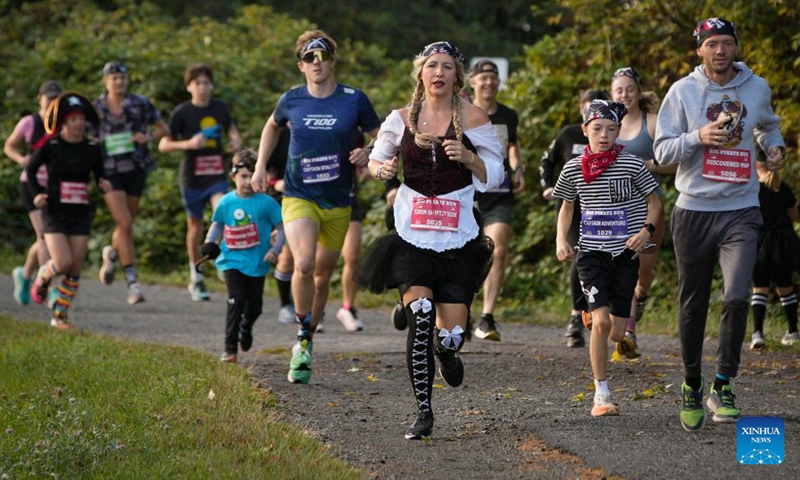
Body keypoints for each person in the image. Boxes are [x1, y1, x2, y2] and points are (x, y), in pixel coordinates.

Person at [361, 41, 503, 439]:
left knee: (450, 334)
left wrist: (470, 158)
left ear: (457, 76)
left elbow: (497, 172)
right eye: (431, 66)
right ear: (420, 74)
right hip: (412, 233)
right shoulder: (402, 117)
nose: (438, 73)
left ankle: (447, 351)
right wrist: (381, 167)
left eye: (446, 67)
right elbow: (377, 158)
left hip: (458, 238)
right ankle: (424, 413)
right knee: (421, 315)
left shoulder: (473, 118)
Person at [653, 17, 785, 432]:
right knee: (692, 303)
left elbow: (767, 123)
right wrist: (698, 137)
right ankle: (692, 383)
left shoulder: (756, 87)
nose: (721, 51)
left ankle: (723, 383)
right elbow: (661, 150)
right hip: (693, 210)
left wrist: (774, 146)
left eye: (727, 43)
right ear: (700, 50)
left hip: (742, 208)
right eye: (713, 45)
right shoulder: (682, 92)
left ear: (735, 47)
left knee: (736, 295)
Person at [250, 30, 381, 384]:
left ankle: (307, 336)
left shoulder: (354, 100)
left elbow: (383, 135)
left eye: (323, 57)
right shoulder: (291, 99)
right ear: (301, 66)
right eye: (310, 58)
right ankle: (302, 338)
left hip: (339, 200)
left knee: (323, 277)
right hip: (299, 195)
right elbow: (271, 127)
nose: (317, 63)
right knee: (304, 264)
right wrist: (261, 165)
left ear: (333, 62)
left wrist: (369, 153)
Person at [554, 100, 660, 417]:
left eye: (611, 129)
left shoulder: (631, 164)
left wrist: (647, 232)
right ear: (585, 130)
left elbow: (654, 202)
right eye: (597, 128)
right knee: (600, 324)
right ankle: (601, 394)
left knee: (616, 332)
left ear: (619, 131)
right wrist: (561, 238)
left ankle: (596, 316)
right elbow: (567, 207)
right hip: (590, 254)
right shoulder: (573, 168)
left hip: (625, 254)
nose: (604, 135)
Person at [26, 92, 111, 329]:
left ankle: (59, 316)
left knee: (74, 268)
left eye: (81, 119)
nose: (78, 123)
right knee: (62, 262)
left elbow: (100, 174)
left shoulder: (92, 148)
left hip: (80, 212)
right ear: (64, 122)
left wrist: (104, 183)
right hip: (54, 212)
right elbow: (31, 170)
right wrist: (37, 194)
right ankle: (42, 278)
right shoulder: (51, 145)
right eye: (73, 119)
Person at [159, 63, 242, 301]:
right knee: (194, 227)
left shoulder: (220, 108)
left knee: (224, 213)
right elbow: (163, 144)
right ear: (189, 87)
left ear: (212, 85)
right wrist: (188, 144)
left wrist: (235, 142)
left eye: (206, 83)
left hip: (216, 174)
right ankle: (196, 275)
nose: (203, 88)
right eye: (198, 83)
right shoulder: (182, 112)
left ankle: (219, 257)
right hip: (192, 178)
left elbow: (232, 130)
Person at [610, 67, 675, 358]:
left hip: (649, 208)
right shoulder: (605, 123)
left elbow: (674, 163)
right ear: (612, 94)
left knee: (641, 274)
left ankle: (639, 300)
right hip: (612, 209)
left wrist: (649, 166)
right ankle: (628, 331)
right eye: (619, 90)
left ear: (639, 92)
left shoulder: (653, 123)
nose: (624, 95)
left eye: (629, 89)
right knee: (613, 268)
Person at [94, 61, 169, 305]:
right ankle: (132, 282)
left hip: (136, 167)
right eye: (114, 78)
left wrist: (146, 136)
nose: (119, 82)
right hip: (109, 170)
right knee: (124, 221)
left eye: (122, 77)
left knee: (126, 224)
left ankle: (112, 253)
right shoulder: (96, 108)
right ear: (106, 81)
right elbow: (85, 135)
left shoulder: (140, 103)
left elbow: (162, 129)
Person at [200, 149, 285, 363]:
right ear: (233, 177)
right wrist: (210, 243)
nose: (247, 182)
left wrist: (275, 250)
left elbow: (282, 228)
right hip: (231, 261)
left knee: (255, 308)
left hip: (257, 262)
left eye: (251, 176)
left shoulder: (267, 204)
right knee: (235, 301)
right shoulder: (227, 202)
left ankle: (246, 327)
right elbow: (217, 224)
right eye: (243, 177)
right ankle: (230, 349)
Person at [539, 89, 609, 348]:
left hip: (601, 209)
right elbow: (546, 161)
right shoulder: (568, 134)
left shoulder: (609, 134)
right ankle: (575, 318)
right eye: (588, 108)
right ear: (581, 110)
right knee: (580, 255)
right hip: (571, 207)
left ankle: (600, 311)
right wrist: (547, 185)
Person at [468, 59, 525, 342]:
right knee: (464, 253)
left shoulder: (508, 115)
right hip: (467, 192)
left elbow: (512, 145)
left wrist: (518, 168)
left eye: (493, 78)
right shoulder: (462, 111)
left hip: (499, 192)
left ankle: (487, 317)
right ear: (472, 83)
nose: (489, 82)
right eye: (483, 77)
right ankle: (459, 306)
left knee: (498, 250)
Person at [4, 80, 60, 305]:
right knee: (45, 235)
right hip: (31, 183)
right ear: (40, 98)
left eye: (56, 98)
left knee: (45, 237)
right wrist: (21, 160)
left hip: (54, 186)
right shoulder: (30, 122)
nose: (51, 102)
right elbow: (10, 145)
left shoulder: (62, 124)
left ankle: (25, 274)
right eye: (48, 98)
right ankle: (47, 286)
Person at [750, 153, 799, 348]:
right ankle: (793, 332)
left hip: (762, 241)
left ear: (756, 165)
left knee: (759, 287)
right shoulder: (784, 188)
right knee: (785, 286)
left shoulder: (753, 189)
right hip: (785, 243)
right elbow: (795, 216)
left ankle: (757, 334)